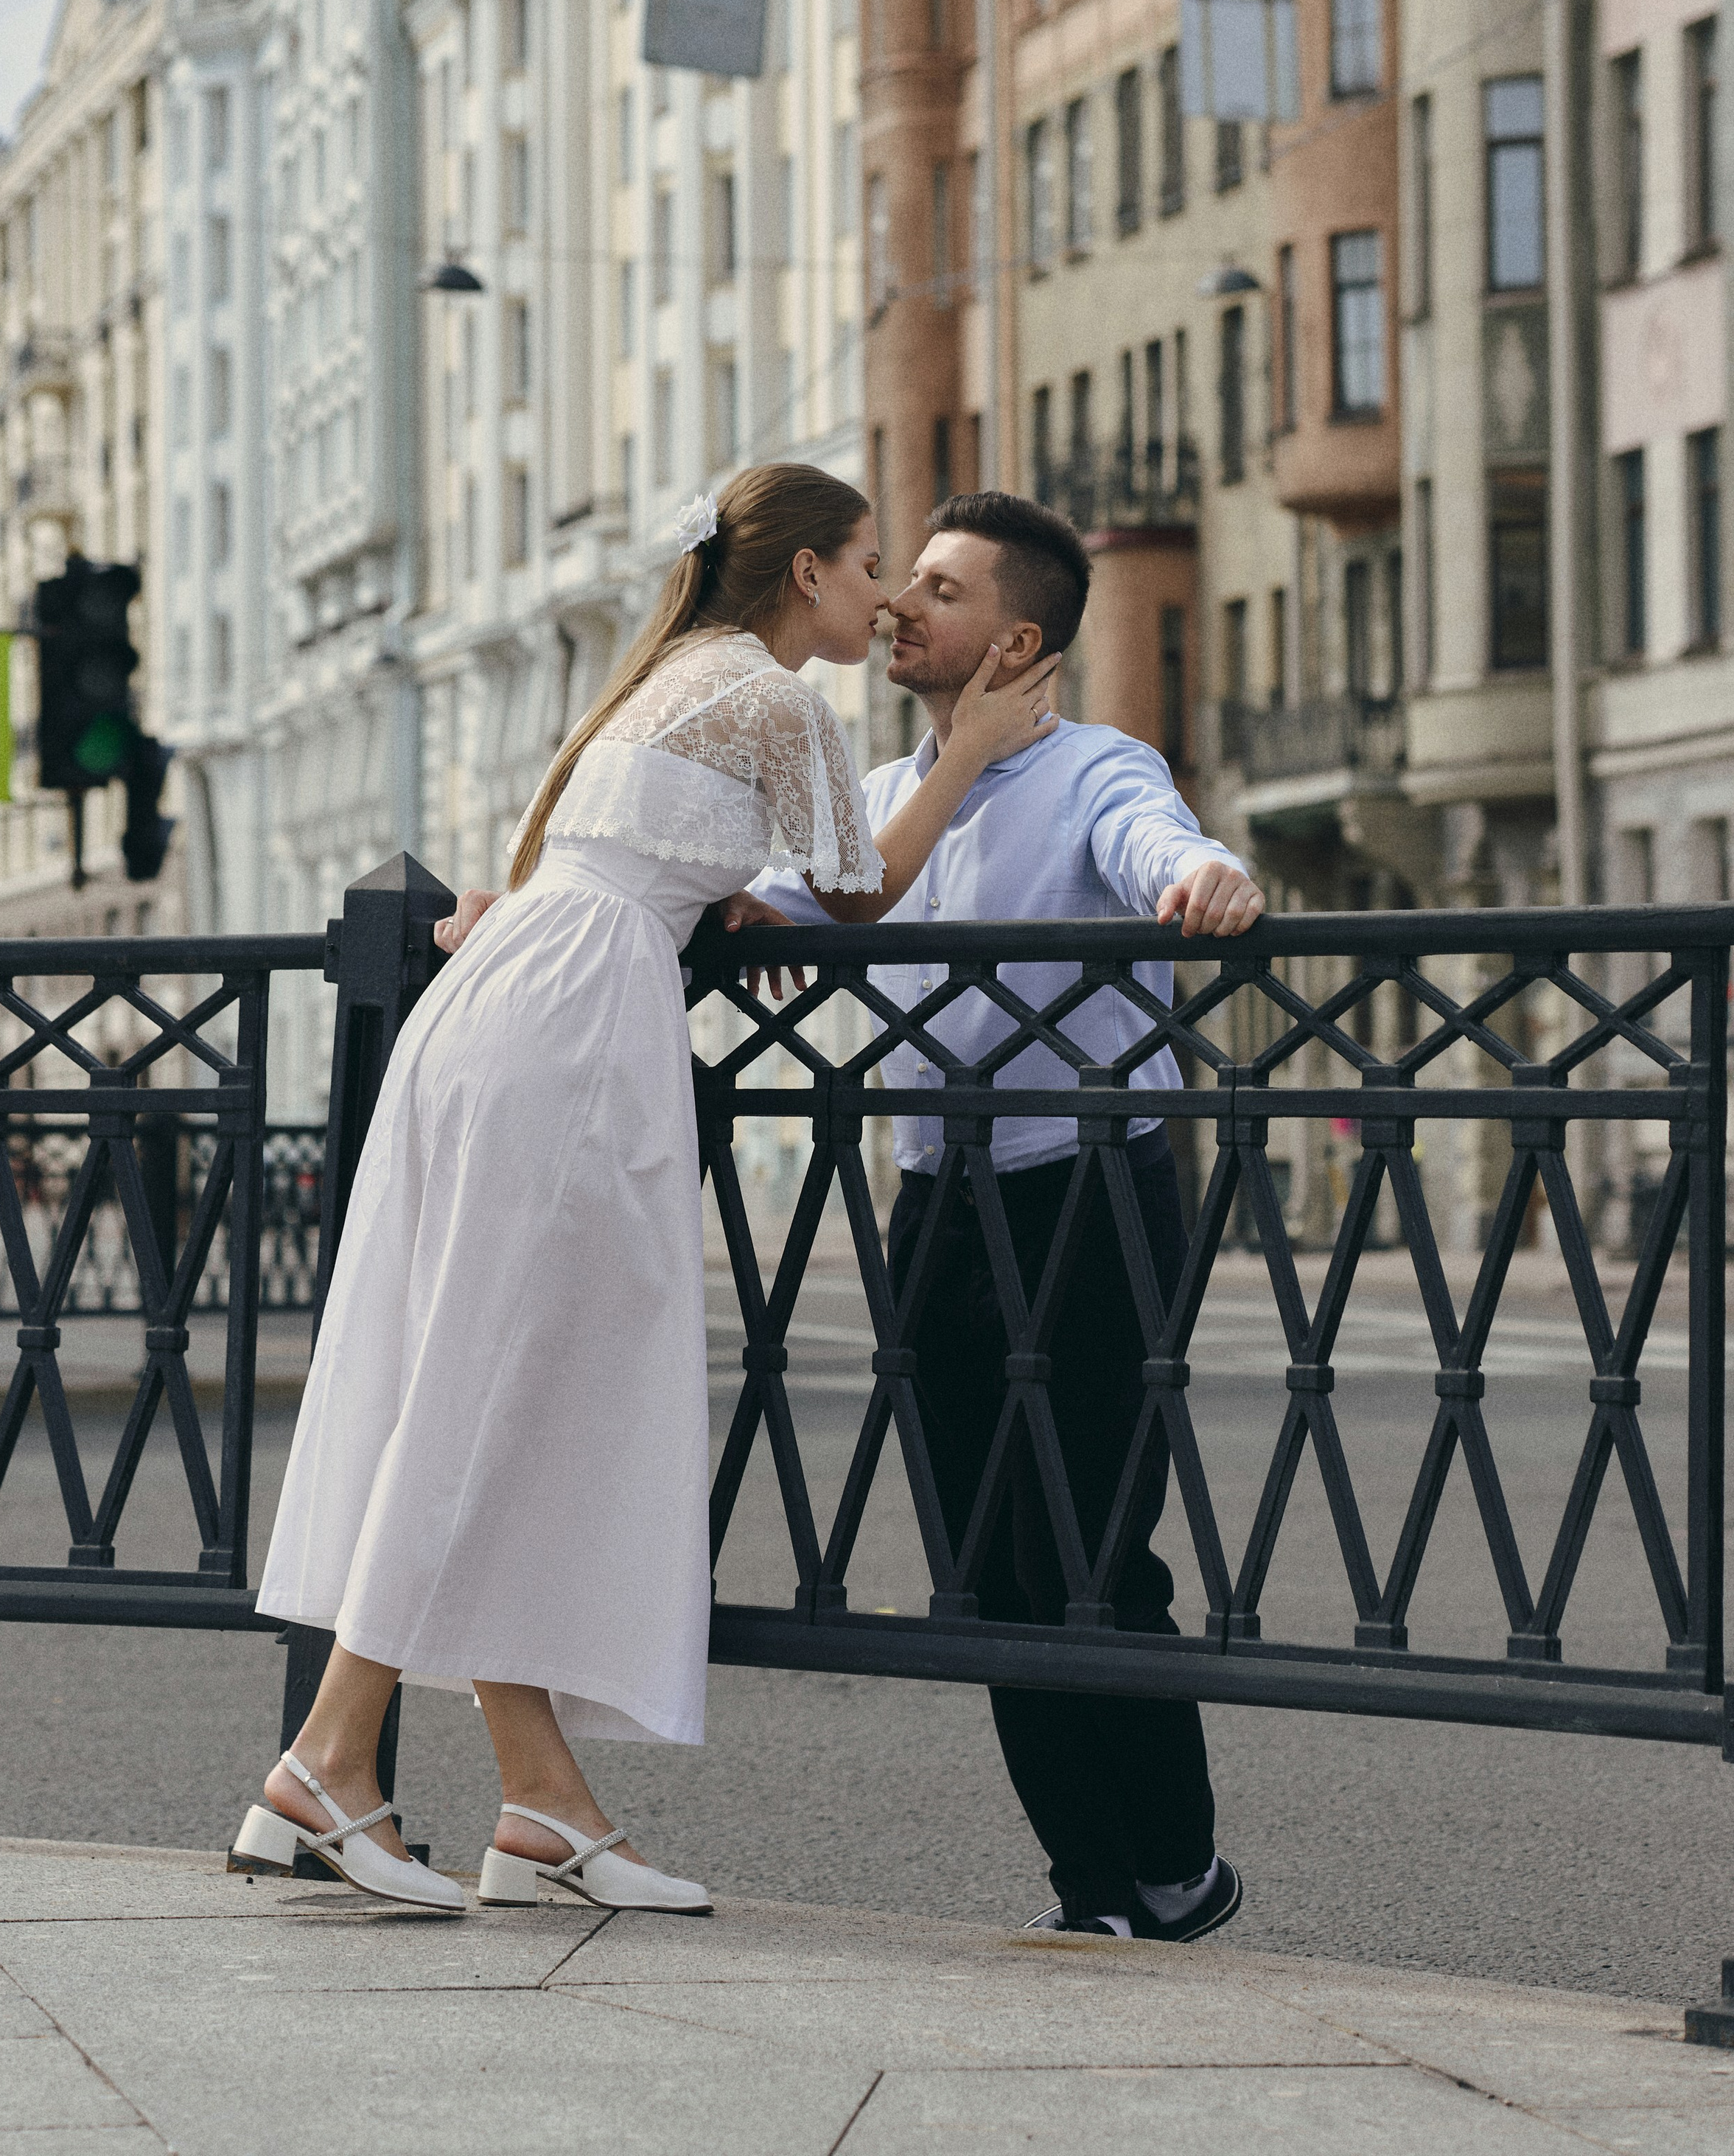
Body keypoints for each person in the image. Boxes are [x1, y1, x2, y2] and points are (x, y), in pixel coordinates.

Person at [235, 462, 1060, 1916]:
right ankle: (319, 1767)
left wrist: (725, 891)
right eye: (870, 562)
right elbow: (863, 888)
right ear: (804, 572)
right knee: (490, 1396)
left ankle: (543, 1809)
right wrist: (972, 749)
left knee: (503, 1393)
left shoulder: (677, 667)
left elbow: (688, 859)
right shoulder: (772, 698)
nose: (881, 596)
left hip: (514, 1005)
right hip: (568, 1033)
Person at [731, 489, 1264, 1943]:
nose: (898, 601)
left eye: (937, 587)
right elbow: (802, 900)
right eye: (894, 578)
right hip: (937, 1201)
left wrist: (1202, 879)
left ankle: (1170, 1867)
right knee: (979, 1567)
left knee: (1088, 1550)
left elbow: (1156, 839)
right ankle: (1088, 1889)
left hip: (1086, 1186)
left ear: (1012, 637)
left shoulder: (1096, 764)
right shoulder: (890, 791)